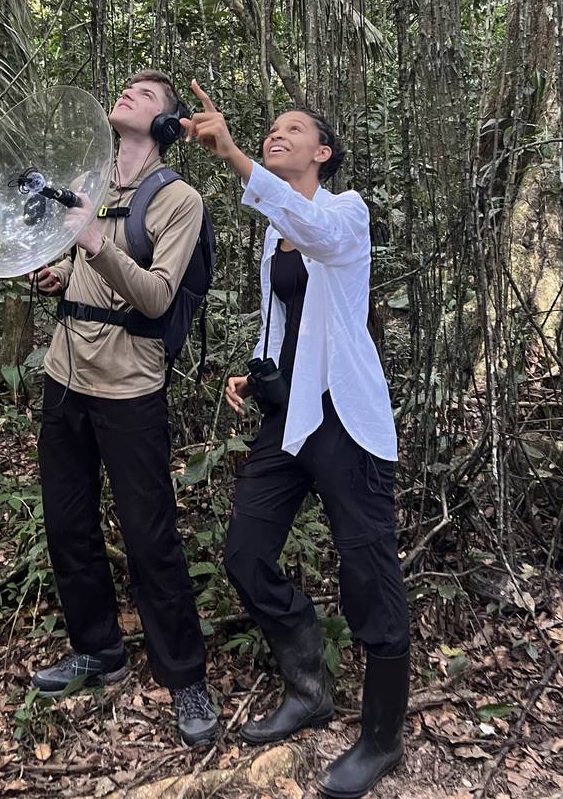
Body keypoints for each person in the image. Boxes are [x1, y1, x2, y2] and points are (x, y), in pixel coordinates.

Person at [180, 80, 410, 797]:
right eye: (269, 128)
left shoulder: (342, 211)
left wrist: (235, 157)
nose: (277, 134)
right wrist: (259, 370)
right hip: (289, 416)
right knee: (245, 554)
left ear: (323, 151)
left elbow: (319, 240)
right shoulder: (274, 228)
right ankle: (308, 686)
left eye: (292, 129)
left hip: (342, 414)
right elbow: (282, 315)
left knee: (368, 570)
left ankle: (381, 737)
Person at [27, 71, 218, 747]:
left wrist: (92, 244)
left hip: (129, 386)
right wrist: (58, 273)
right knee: (67, 524)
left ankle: (183, 675)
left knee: (149, 537)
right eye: (127, 88)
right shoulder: (93, 185)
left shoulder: (179, 200)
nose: (130, 93)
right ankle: (97, 649)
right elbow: (85, 273)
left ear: (167, 125)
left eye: (147, 94)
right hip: (64, 373)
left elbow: (158, 296)